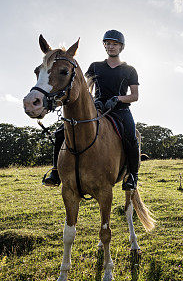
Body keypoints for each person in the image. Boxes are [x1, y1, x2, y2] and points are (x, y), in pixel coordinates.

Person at [42, 29, 140, 190]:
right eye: (107, 43)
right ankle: (55, 172)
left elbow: (134, 96)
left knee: (131, 136)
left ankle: (132, 177)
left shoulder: (129, 70)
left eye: (114, 44)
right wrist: (95, 102)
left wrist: (117, 99)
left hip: (120, 110)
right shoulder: (95, 66)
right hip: (98, 107)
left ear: (121, 47)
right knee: (61, 132)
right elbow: (86, 89)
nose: (110, 47)